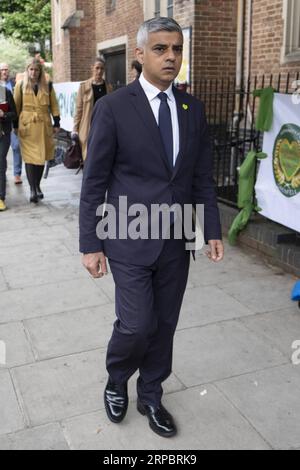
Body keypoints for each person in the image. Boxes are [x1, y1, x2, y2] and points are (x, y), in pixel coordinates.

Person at [79, 17, 224, 438]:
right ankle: (116, 377)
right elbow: (95, 183)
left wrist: (210, 230)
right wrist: (91, 244)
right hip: (127, 236)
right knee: (137, 323)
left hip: (177, 240)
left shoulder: (191, 109)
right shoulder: (114, 107)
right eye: (161, 49)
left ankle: (152, 393)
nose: (171, 57)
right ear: (139, 54)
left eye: (177, 48)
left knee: (164, 324)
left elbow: (200, 178)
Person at [13, 58, 60, 203]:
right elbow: (16, 106)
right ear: (27, 70)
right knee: (29, 158)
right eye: (31, 69)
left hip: (43, 124)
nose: (33, 72)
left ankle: (38, 186)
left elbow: (54, 105)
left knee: (40, 158)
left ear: (40, 71)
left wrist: (57, 122)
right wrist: (15, 126)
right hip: (27, 125)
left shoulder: (48, 85)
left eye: (36, 70)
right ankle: (33, 189)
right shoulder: (20, 85)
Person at [73, 57, 113, 161]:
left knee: (102, 155)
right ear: (92, 68)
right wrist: (75, 128)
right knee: (87, 155)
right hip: (87, 126)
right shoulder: (84, 87)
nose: (99, 71)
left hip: (104, 125)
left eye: (102, 69)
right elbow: (79, 109)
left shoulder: (108, 87)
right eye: (97, 68)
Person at [0, 63, 23, 184]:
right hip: (2, 125)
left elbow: (15, 107)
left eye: (6, 70)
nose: (4, 72)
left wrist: (16, 124)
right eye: (2, 70)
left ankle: (17, 174)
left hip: (13, 121)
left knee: (16, 147)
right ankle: (2, 174)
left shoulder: (14, 85)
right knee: (2, 155)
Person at [0, 83, 17, 211]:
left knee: (0, 162)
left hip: (3, 134)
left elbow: (14, 113)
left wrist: (4, 115)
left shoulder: (5, 92)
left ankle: (1, 198)